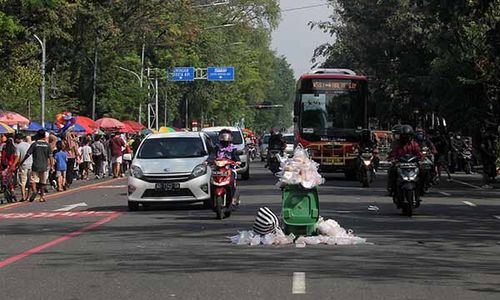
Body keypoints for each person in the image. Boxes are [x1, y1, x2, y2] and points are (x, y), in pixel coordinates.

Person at [387, 125, 424, 195]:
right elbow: (392, 153)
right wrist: (392, 159)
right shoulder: (396, 144)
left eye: (408, 136)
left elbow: (419, 154)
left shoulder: (414, 144)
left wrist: (421, 159)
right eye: (404, 136)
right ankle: (392, 188)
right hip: (400, 164)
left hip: (413, 165)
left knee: (422, 171)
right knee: (392, 170)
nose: (406, 138)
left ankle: (422, 188)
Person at [21, 129, 52, 202]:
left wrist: (22, 161)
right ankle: (41, 197)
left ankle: (34, 190)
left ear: (37, 136)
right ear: (44, 136)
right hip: (44, 166)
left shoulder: (34, 144)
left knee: (33, 180)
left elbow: (28, 154)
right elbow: (50, 156)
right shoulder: (47, 145)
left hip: (35, 165)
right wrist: (51, 165)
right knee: (42, 182)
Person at [211, 129, 241, 205]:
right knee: (212, 182)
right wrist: (207, 161)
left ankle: (233, 197)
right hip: (218, 169)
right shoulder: (217, 147)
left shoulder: (232, 148)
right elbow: (212, 155)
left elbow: (236, 156)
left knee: (232, 181)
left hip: (229, 169)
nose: (224, 139)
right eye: (222, 137)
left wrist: (237, 161)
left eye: (226, 137)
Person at [14, 133, 33, 201]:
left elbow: (17, 157)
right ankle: (28, 195)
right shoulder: (29, 145)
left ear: (17, 139)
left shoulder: (18, 146)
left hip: (23, 165)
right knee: (30, 181)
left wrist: (14, 165)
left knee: (22, 182)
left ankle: (23, 196)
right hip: (31, 164)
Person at [1, 134, 17, 202]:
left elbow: (3, 158)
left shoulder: (4, 149)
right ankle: (12, 191)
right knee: (11, 180)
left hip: (5, 167)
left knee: (4, 181)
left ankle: (7, 194)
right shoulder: (14, 149)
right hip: (12, 167)